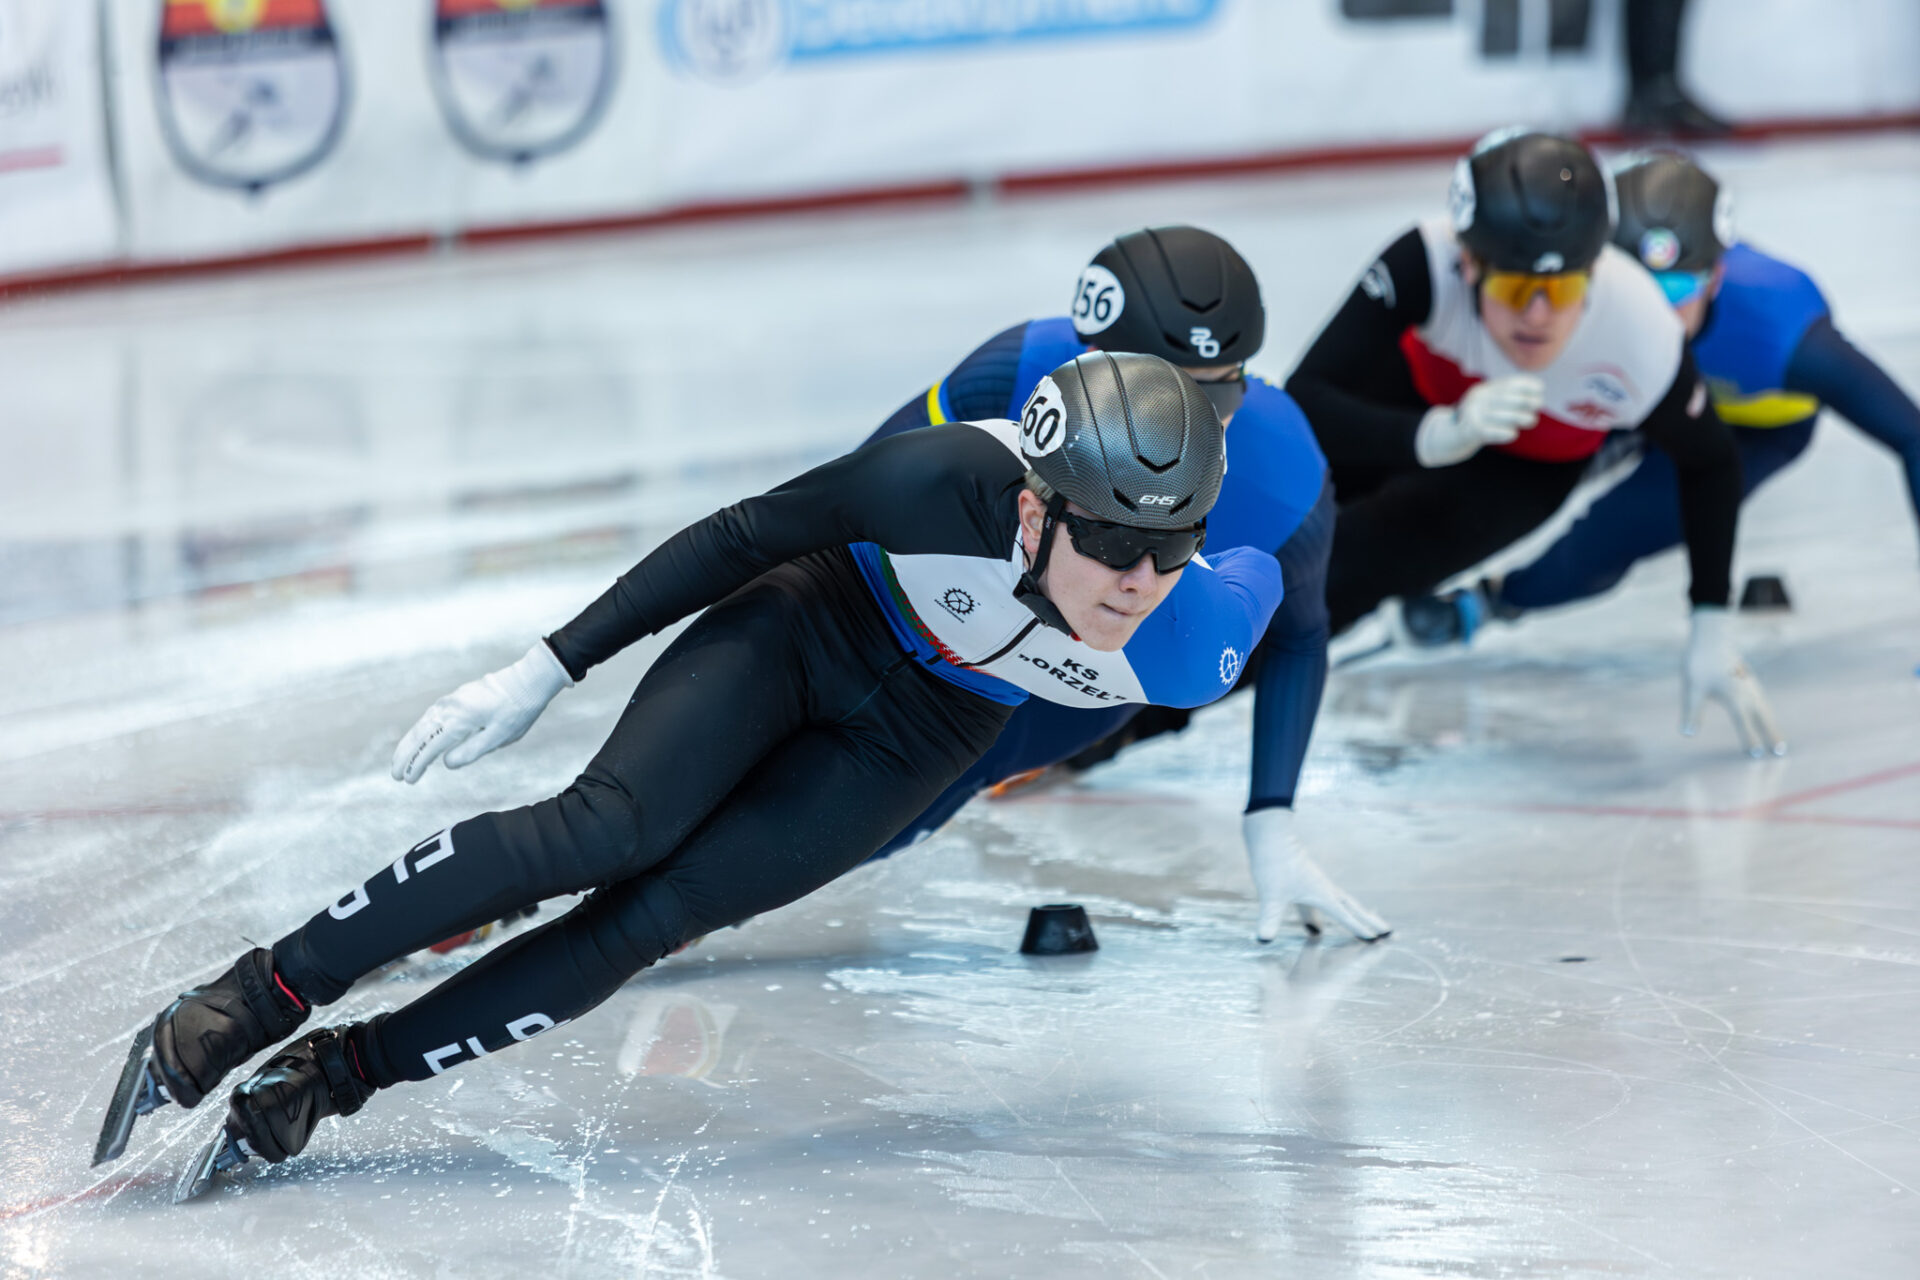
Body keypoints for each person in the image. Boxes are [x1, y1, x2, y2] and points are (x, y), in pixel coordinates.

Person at [94, 352, 1283, 1185]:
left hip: (931, 727)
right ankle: (250, 998)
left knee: (648, 919)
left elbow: (1292, 571)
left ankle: (335, 1075)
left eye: (1171, 542)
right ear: (1031, 510)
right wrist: (547, 666)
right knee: (604, 829)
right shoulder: (938, 480)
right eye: (1111, 539)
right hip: (813, 617)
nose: (1138, 578)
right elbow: (744, 532)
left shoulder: (1190, 643)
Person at [865, 226, 1388, 944]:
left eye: (1221, 389)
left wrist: (1272, 816)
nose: (1193, 420)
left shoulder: (1286, 475)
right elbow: (864, 487)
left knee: (893, 798)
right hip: (960, 597)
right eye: (1164, 389)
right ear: (1091, 361)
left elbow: (1299, 637)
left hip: (1083, 673)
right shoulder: (1016, 369)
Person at [1284, 128, 1784, 757]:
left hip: (1526, 467)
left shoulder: (1643, 332)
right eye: (1515, 288)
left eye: (1566, 289)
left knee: (1342, 576)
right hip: (1412, 401)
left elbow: (1711, 462)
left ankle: (1164, 715)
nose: (1539, 315)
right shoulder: (1425, 258)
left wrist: (1711, 621)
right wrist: (1429, 436)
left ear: (1595, 271)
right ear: (1469, 263)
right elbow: (1304, 400)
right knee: (1266, 512)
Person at [1406, 151, 1920, 634]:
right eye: (1635, 287)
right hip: (1641, 398)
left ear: (1716, 279)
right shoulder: (1578, 301)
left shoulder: (1785, 337)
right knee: (1509, 465)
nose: (1654, 310)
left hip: (1748, 430)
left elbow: (1912, 435)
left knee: (1614, 533)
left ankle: (1493, 601)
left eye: (1676, 291)